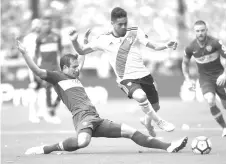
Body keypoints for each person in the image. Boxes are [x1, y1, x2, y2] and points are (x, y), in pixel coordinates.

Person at [16, 39, 188, 155]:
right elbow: (38, 71)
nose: (77, 69)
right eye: (73, 67)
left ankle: (169, 146)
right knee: (83, 142)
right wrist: (25, 54)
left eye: (77, 66)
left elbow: (82, 58)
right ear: (64, 68)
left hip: (96, 119)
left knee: (131, 131)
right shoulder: (57, 77)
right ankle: (46, 149)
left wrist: (82, 44)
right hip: (82, 118)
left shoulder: (74, 77)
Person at [70, 7, 178, 137]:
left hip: (144, 75)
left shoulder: (134, 31)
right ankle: (160, 122)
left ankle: (147, 123)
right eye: (119, 24)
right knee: (141, 97)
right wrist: (74, 41)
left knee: (155, 107)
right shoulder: (103, 39)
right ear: (112, 23)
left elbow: (153, 46)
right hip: (125, 79)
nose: (123, 26)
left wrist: (166, 45)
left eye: (125, 23)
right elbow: (81, 51)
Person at [182, 20, 226, 137]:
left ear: (206, 30)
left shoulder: (215, 42)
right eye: (198, 31)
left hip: (219, 76)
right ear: (194, 32)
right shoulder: (190, 47)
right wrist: (188, 79)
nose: (200, 33)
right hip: (205, 78)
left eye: (202, 30)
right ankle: (225, 128)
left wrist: (225, 74)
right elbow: (184, 63)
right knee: (210, 100)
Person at [34, 16, 63, 124]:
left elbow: (61, 52)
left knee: (62, 87)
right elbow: (36, 55)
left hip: (55, 66)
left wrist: (63, 65)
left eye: (48, 24)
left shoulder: (57, 36)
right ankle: (50, 110)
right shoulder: (39, 38)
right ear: (42, 25)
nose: (47, 26)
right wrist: (36, 69)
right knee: (47, 88)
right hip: (44, 67)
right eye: (45, 24)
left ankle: (54, 106)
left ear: (51, 25)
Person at [23, 19, 42, 123]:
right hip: (33, 68)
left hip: (42, 67)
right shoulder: (28, 38)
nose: (37, 26)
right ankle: (32, 114)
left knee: (40, 91)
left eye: (39, 24)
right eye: (35, 25)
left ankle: (40, 112)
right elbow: (27, 54)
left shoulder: (43, 37)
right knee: (33, 90)